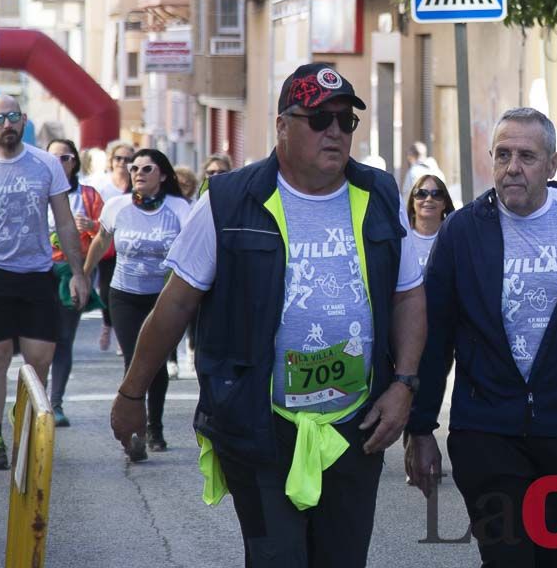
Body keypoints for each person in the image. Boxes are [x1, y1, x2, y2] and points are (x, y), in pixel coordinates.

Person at [109, 64, 425, 567]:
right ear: (282, 126)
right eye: (320, 120)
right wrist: (132, 393)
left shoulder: (380, 195)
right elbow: (175, 304)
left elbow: (408, 295)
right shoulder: (229, 201)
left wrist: (404, 384)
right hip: (260, 426)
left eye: (346, 122)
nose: (336, 133)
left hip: (354, 427)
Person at [407, 107, 557, 567]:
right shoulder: (463, 232)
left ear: (553, 164)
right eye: (502, 155)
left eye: (526, 156)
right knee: (507, 558)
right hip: (485, 427)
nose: (512, 167)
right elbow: (434, 336)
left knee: (555, 558)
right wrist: (420, 427)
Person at [0, 95, 90, 470]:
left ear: (23, 120)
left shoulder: (45, 165)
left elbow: (66, 222)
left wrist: (77, 273)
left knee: (40, 358)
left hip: (36, 272)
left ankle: (24, 420)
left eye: (13, 116)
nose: (7, 124)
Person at [86, 148, 189, 459]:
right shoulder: (117, 206)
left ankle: (155, 427)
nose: (138, 174)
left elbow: (193, 247)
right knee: (135, 361)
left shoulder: (178, 208)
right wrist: (82, 275)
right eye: (134, 169)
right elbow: (101, 241)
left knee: (156, 362)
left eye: (147, 168)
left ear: (163, 175)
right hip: (124, 296)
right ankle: (136, 432)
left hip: (164, 298)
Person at [47, 139, 105, 428]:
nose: (59, 163)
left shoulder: (89, 195)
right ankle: (28, 398)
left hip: (73, 272)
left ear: (74, 163)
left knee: (63, 339)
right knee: (34, 338)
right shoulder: (34, 191)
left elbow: (107, 239)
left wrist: (92, 228)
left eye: (65, 158)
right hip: (36, 271)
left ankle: (54, 402)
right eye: (53, 157)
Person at [91, 140, 135, 353]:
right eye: (119, 158)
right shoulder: (102, 185)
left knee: (126, 289)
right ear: (111, 160)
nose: (122, 163)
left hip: (130, 243)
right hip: (108, 244)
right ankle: (108, 325)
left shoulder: (137, 184)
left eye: (128, 159)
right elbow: (94, 213)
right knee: (107, 289)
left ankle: (122, 332)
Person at [406, 173, 455, 272]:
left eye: (437, 194)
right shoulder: (401, 238)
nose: (429, 199)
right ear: (412, 201)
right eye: (421, 194)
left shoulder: (455, 238)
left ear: (444, 203)